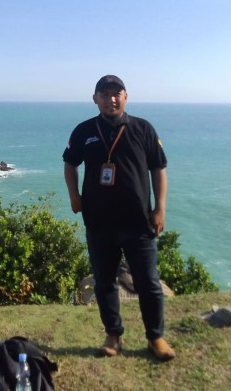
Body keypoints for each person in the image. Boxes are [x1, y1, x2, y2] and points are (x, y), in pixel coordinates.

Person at [63, 75, 175, 360]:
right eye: (104, 94)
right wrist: (74, 196)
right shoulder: (84, 131)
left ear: (126, 97)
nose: (111, 99)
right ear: (95, 99)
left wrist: (160, 208)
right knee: (104, 283)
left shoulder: (143, 129)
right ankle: (113, 335)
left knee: (149, 283)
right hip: (99, 223)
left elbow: (158, 168)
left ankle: (156, 338)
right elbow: (70, 163)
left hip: (139, 223)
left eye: (116, 93)